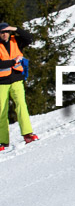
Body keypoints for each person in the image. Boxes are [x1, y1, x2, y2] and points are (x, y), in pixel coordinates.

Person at [0, 23, 39, 151]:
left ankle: (28, 134)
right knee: (1, 111)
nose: (4, 34)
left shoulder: (16, 40)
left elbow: (29, 38)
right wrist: (13, 62)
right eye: (2, 32)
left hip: (17, 79)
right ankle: (2, 142)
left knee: (21, 106)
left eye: (6, 31)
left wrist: (15, 29)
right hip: (2, 82)